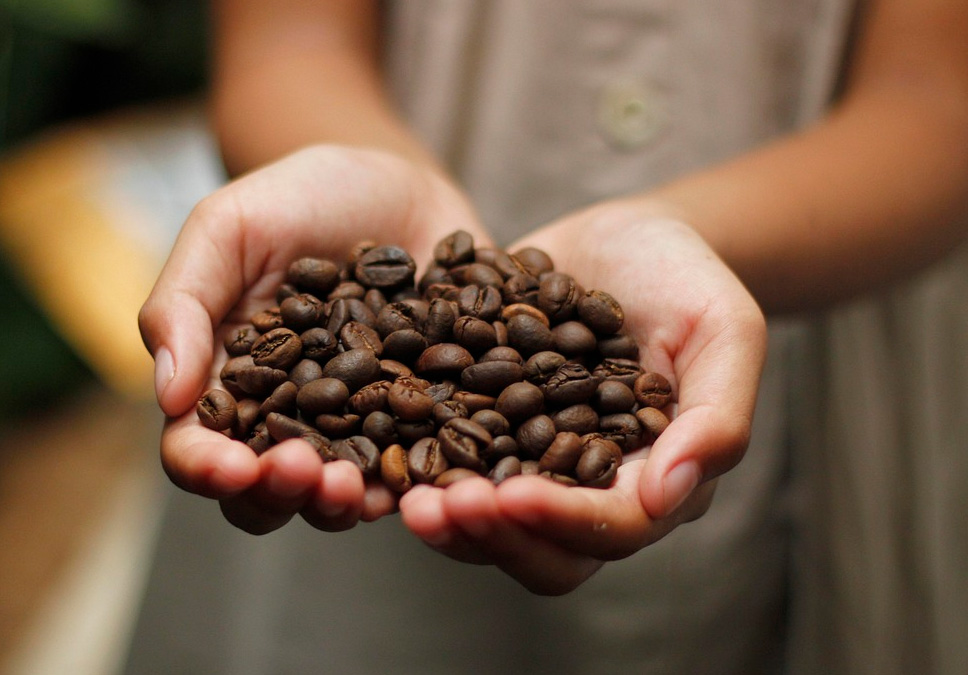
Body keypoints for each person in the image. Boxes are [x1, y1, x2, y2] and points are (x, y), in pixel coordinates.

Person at [134, 1, 968, 673]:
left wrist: (682, 229)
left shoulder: (568, 369)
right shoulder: (376, 362)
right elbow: (286, 43)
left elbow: (940, 104)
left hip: (827, 363)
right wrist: (357, 165)